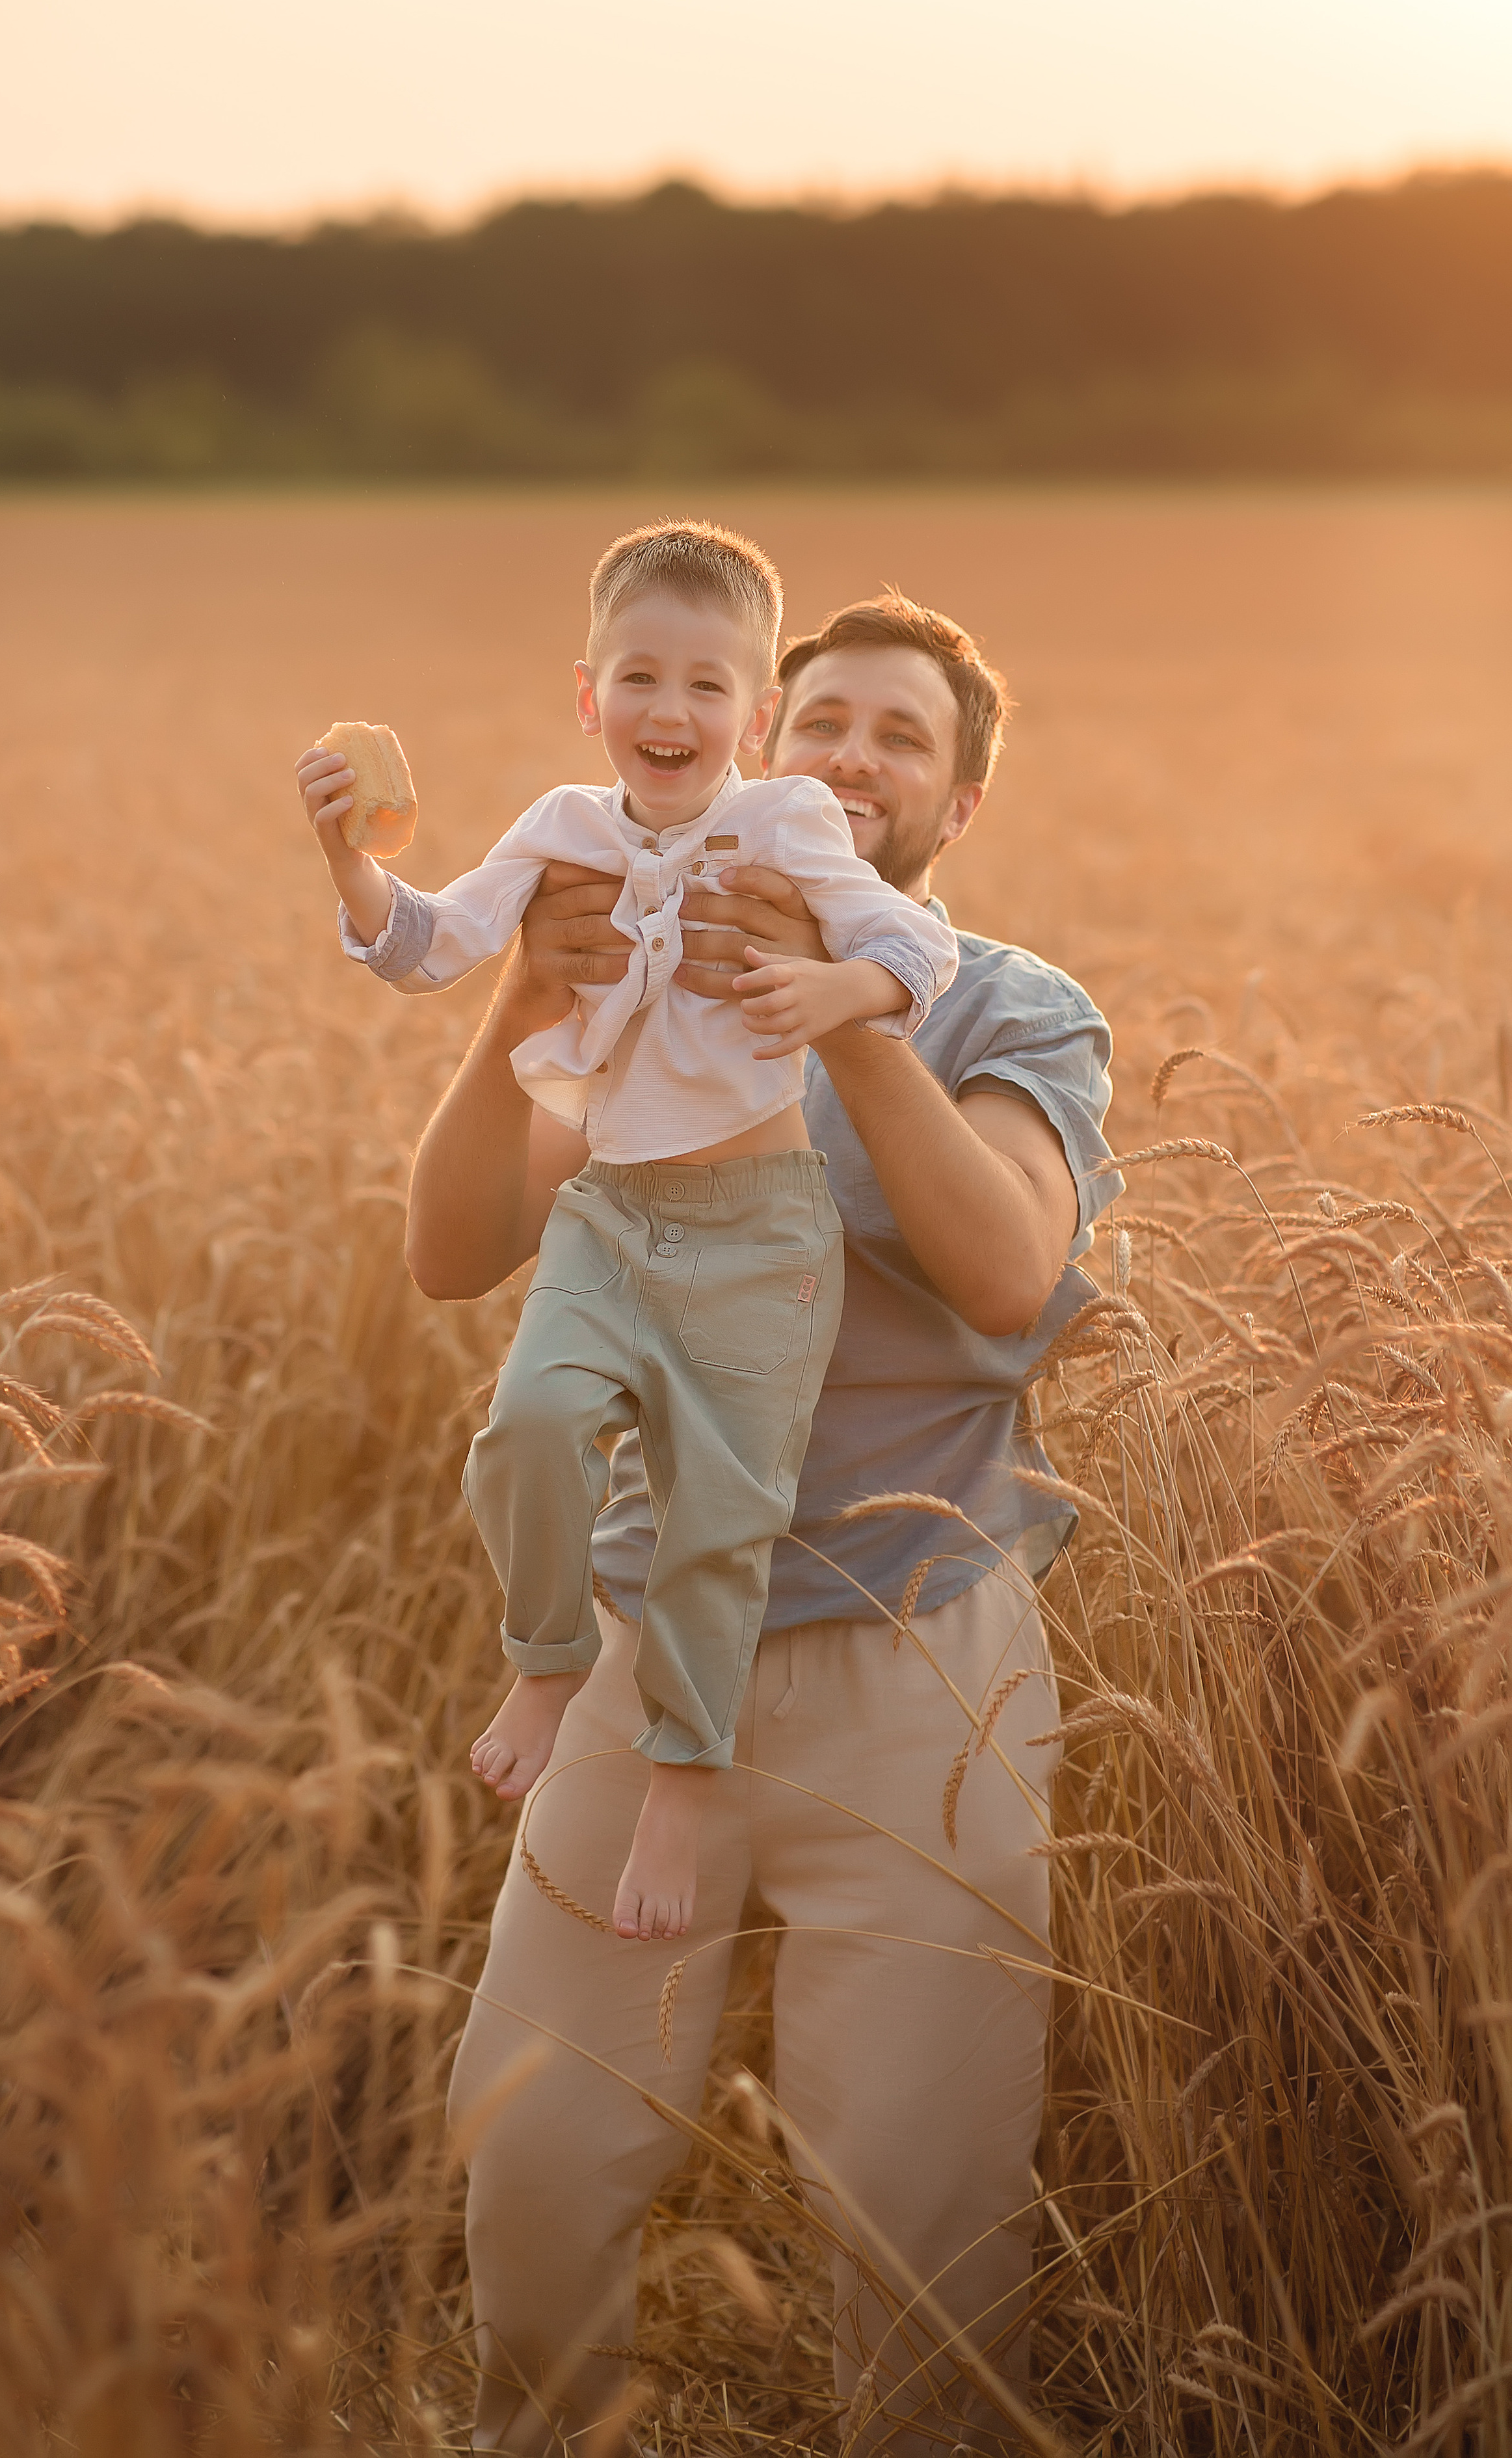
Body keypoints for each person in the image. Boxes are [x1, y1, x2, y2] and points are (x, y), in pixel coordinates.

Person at [410, 586, 1123, 2455]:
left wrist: (852, 1008)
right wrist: (527, 997)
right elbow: (452, 1248)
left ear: (956, 809)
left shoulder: (1008, 1005)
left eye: (904, 738)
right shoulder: (649, 979)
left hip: (923, 1680)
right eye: (821, 723)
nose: (852, 758)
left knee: (920, 2215)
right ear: (757, 746)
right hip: (654, 1663)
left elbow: (1004, 1272)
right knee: (540, 2151)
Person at [298, 521, 956, 1943]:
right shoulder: (559, 827)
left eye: (709, 686)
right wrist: (348, 860)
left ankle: (681, 1776)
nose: (673, 713)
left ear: (755, 716)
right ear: (586, 695)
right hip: (608, 1214)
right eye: (639, 680)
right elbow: (429, 945)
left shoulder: (788, 824)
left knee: (720, 1523)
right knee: (525, 1429)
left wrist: (830, 994)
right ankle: (547, 1662)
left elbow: (915, 949)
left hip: (762, 1233)